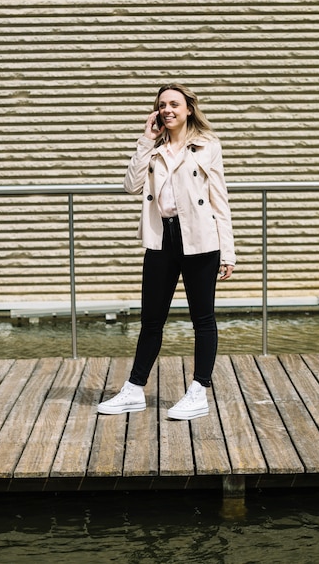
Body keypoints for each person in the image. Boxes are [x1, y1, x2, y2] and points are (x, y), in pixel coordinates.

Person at [97, 83, 236, 420]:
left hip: (201, 239)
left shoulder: (207, 147)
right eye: (162, 105)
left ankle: (198, 390)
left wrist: (228, 252)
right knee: (151, 319)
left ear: (189, 108)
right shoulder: (154, 149)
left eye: (175, 104)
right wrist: (145, 140)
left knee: (202, 319)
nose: (168, 110)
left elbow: (220, 199)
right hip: (162, 239)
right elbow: (130, 186)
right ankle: (133, 389)